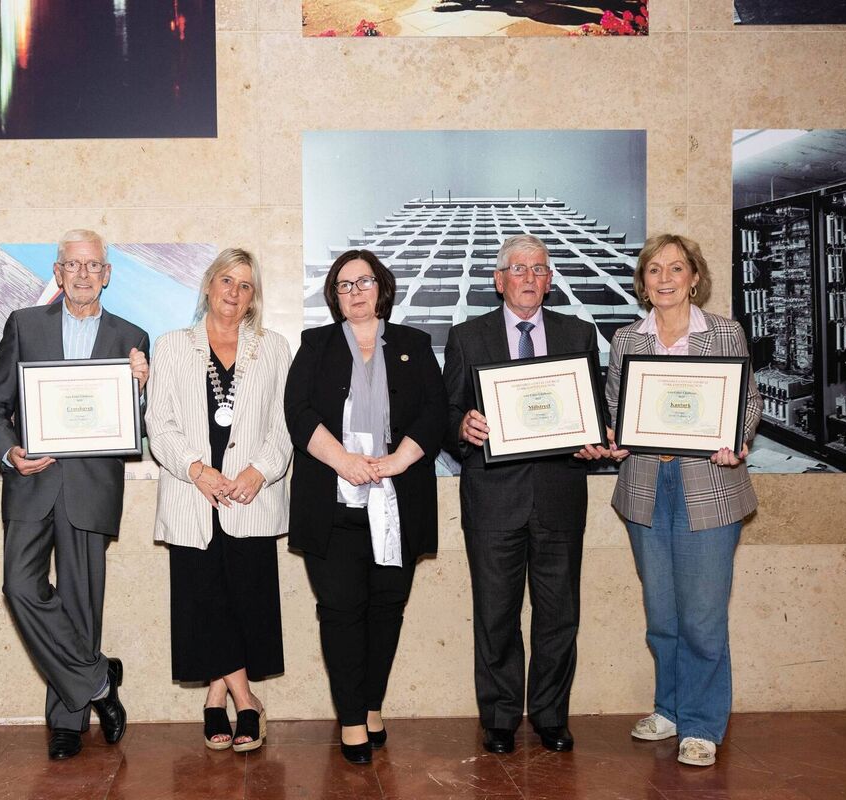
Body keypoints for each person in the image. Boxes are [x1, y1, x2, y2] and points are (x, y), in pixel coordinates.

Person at [0, 229, 149, 760]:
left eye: (92, 265)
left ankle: (67, 722)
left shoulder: (132, 336)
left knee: (81, 606)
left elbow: (136, 429)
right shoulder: (24, 325)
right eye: (71, 265)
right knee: (19, 587)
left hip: (91, 489)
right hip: (31, 483)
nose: (81, 274)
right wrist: (10, 453)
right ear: (57, 273)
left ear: (106, 274)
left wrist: (138, 389)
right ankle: (98, 680)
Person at [443, 234, 606, 755]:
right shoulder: (467, 337)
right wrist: (461, 425)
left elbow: (594, 411)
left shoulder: (578, 332)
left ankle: (551, 715)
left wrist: (591, 439)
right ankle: (499, 717)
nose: (529, 278)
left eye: (539, 269)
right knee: (496, 613)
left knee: (560, 614)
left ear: (550, 280)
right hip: (492, 500)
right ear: (499, 280)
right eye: (518, 269)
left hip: (559, 494)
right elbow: (446, 414)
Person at [285, 249, 446, 765]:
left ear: (382, 288)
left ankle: (373, 703)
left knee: (386, 610)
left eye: (364, 282)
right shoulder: (316, 345)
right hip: (334, 504)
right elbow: (298, 411)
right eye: (344, 285)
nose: (355, 292)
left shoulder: (414, 345)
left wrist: (398, 460)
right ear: (334, 296)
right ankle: (351, 717)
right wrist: (343, 460)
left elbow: (434, 412)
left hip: (397, 502)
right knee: (340, 612)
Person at [605, 233, 760, 768]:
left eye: (676, 268)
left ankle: (700, 724)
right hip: (647, 487)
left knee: (701, 617)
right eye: (654, 270)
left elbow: (747, 400)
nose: (665, 278)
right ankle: (668, 709)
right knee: (662, 616)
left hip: (709, 487)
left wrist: (736, 441)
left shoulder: (725, 332)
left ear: (695, 276)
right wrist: (610, 433)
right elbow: (616, 404)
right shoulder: (627, 339)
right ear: (643, 282)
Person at [146, 248, 293, 753]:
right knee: (204, 600)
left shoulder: (273, 348)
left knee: (243, 603)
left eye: (245, 285)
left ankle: (215, 696)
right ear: (209, 285)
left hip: (249, 496)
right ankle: (246, 701)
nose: (234, 292)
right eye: (226, 281)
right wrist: (196, 470)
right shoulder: (171, 346)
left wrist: (260, 470)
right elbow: (158, 424)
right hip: (193, 495)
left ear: (254, 298)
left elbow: (284, 424)